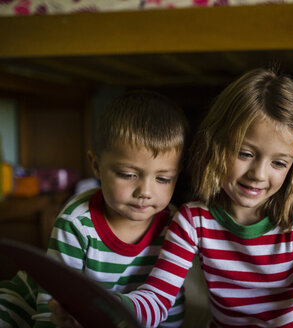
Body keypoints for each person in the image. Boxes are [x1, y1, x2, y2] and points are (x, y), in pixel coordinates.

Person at [112, 67, 293, 327]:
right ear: (216, 144)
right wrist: (113, 306)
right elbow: (157, 298)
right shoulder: (193, 220)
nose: (258, 174)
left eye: (279, 163)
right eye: (244, 154)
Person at [0, 90, 190, 328]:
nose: (145, 191)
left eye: (163, 179)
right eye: (128, 175)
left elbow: (168, 305)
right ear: (96, 166)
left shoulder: (177, 226)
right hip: (29, 301)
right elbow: (50, 305)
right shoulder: (76, 222)